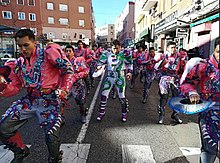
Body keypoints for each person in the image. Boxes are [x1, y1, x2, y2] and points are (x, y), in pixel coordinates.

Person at [0, 29, 75, 163]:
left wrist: (64, 89)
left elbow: (68, 70)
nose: (23, 49)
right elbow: (16, 88)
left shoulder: (49, 54)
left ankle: (55, 158)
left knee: (51, 137)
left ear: (34, 42)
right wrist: (3, 87)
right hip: (30, 100)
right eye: (20, 46)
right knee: (4, 128)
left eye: (26, 45)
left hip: (50, 101)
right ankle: (21, 151)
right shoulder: (17, 64)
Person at [180, 37, 219, 163]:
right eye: (219, 52)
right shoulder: (203, 66)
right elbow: (187, 83)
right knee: (210, 149)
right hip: (209, 113)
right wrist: (192, 92)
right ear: (214, 50)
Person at [95, 40, 133, 122]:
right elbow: (100, 62)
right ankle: (101, 112)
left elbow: (130, 63)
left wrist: (129, 73)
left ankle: (124, 113)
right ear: (111, 48)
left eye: (117, 48)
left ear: (120, 47)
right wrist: (99, 67)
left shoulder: (124, 54)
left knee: (121, 97)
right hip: (109, 77)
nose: (115, 50)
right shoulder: (107, 54)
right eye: (114, 48)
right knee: (103, 95)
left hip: (120, 77)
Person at [155, 41, 188, 124]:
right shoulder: (163, 56)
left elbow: (183, 67)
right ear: (167, 48)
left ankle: (175, 114)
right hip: (164, 78)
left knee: (177, 97)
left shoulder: (180, 56)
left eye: (175, 47)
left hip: (175, 79)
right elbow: (155, 66)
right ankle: (161, 116)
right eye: (172, 47)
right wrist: (162, 63)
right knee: (164, 97)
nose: (174, 49)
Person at [65, 45, 90, 123]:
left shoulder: (78, 61)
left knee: (81, 102)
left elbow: (86, 70)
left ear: (73, 52)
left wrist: (77, 76)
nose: (68, 53)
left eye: (70, 51)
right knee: (61, 101)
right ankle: (60, 118)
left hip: (78, 85)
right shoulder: (62, 62)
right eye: (66, 51)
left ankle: (83, 114)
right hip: (66, 86)